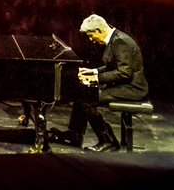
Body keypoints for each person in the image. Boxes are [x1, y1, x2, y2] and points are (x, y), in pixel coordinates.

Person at [51, 13, 148, 152]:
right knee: (82, 93)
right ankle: (74, 135)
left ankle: (109, 141)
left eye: (91, 35)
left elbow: (124, 73)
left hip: (132, 88)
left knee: (88, 100)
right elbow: (112, 66)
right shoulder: (115, 39)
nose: (91, 40)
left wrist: (96, 79)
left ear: (98, 30)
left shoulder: (121, 42)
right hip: (123, 85)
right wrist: (94, 72)